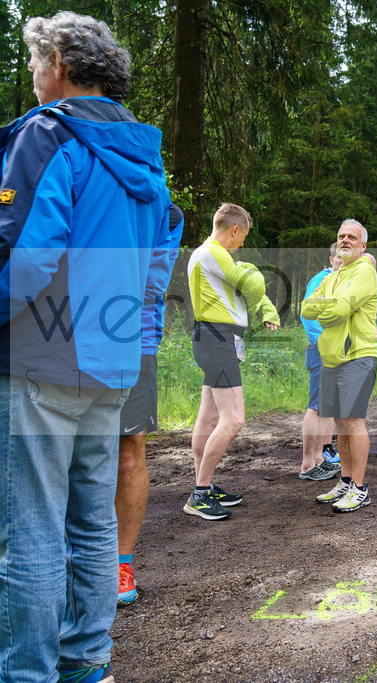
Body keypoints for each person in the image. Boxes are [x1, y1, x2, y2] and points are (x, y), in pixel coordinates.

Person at [0, 12, 171, 681]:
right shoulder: (145, 157)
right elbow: (156, 272)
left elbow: (28, 256)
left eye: (38, 64)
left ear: (62, 65)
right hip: (112, 361)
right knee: (92, 523)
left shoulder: (47, 136)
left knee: (31, 532)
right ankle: (86, 662)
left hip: (39, 361)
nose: (35, 77)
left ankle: (27, 673)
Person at [186, 203, 280, 520]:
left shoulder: (211, 255)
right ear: (235, 229)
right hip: (217, 338)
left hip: (215, 339)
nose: (243, 244)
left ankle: (205, 485)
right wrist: (253, 271)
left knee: (210, 417)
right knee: (234, 418)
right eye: (243, 237)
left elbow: (249, 291)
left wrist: (262, 305)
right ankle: (199, 494)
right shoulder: (213, 252)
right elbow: (254, 285)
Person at [116, 204, 184, 608]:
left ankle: (121, 563)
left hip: (134, 344)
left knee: (128, 455)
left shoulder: (165, 212)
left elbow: (149, 283)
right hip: (63, 342)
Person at [305, 219, 377, 512]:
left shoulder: (365, 271)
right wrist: (332, 309)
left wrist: (331, 309)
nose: (345, 240)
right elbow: (307, 308)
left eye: (352, 237)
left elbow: (333, 310)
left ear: (363, 246)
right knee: (339, 422)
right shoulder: (333, 275)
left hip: (357, 357)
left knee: (352, 421)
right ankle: (345, 481)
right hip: (331, 357)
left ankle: (360, 488)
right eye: (341, 236)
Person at [296, 244, 344, 481]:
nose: (341, 263)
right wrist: (325, 345)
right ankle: (307, 464)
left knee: (327, 408)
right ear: (331, 258)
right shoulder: (321, 280)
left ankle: (319, 459)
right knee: (315, 406)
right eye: (338, 258)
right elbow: (309, 318)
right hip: (320, 351)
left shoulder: (339, 282)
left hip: (334, 352)